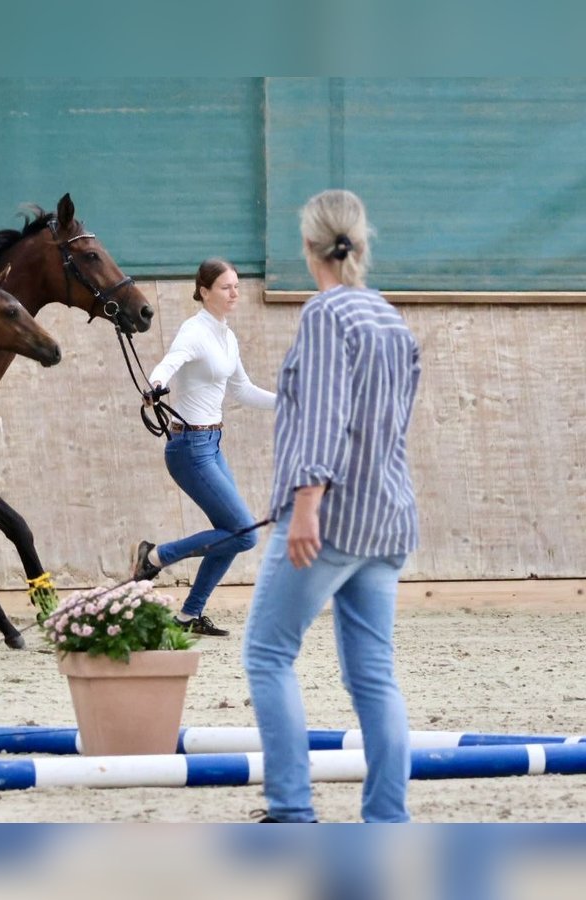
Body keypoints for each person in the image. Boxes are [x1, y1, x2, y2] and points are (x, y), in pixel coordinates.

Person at [242, 189, 421, 823]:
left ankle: (291, 810)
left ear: (308, 246)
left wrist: (307, 503)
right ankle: (387, 819)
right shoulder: (388, 316)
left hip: (330, 519)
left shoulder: (325, 315)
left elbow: (324, 416)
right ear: (359, 243)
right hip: (388, 517)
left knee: (267, 654)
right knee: (374, 675)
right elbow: (392, 425)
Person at [130, 258, 276, 636]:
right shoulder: (193, 331)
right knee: (245, 533)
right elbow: (169, 362)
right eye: (226, 287)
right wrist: (156, 385)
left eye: (237, 287)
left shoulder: (227, 336)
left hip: (211, 443)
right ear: (205, 290)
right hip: (189, 448)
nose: (235, 293)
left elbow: (242, 390)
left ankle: (187, 616)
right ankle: (155, 556)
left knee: (230, 535)